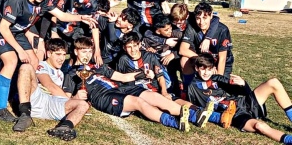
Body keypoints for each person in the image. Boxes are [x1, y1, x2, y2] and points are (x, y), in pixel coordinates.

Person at [0, 0, 96, 122]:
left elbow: (62, 16)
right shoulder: (16, 0)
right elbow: (3, 28)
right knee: (11, 60)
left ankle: (22, 99)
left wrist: (81, 17)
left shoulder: (43, 2)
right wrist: (19, 51)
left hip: (17, 32)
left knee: (34, 62)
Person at [62, 37, 219, 132]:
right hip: (103, 96)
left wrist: (144, 74)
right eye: (84, 52)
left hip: (120, 86)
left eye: (90, 51)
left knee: (152, 96)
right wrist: (77, 96)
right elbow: (65, 99)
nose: (87, 55)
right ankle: (175, 122)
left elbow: (122, 77)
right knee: (138, 102)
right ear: (76, 52)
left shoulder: (98, 66)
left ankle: (194, 116)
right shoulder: (70, 73)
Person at [188, 53, 292, 145]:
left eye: (209, 69)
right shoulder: (192, 87)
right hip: (233, 114)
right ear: (197, 68)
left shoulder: (217, 78)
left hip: (242, 103)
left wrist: (244, 84)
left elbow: (242, 92)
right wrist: (217, 117)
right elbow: (192, 107)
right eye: (203, 68)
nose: (206, 72)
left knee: (273, 82)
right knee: (260, 126)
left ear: (213, 68)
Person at [12, 38, 89, 141]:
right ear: (48, 53)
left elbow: (61, 95)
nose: (62, 58)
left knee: (83, 104)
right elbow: (49, 85)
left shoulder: (61, 73)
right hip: (38, 98)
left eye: (63, 54)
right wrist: (69, 100)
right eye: (58, 54)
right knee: (26, 67)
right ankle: (25, 114)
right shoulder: (42, 65)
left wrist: (76, 99)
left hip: (52, 103)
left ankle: (65, 127)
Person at [54, 0, 107, 65]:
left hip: (75, 30)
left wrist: (97, 50)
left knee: (78, 56)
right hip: (58, 27)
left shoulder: (95, 2)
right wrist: (53, 31)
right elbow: (52, 10)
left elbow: (94, 25)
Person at [179, 2, 233, 92]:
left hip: (219, 62)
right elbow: (182, 50)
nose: (201, 22)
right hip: (202, 61)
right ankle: (187, 90)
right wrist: (205, 63)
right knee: (184, 60)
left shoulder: (222, 30)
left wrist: (217, 76)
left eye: (204, 18)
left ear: (211, 16)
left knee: (221, 90)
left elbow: (222, 58)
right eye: (198, 18)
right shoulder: (192, 27)